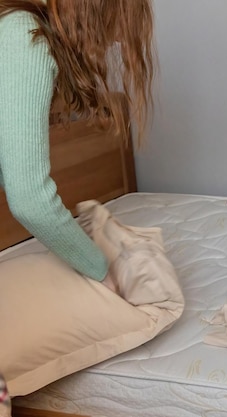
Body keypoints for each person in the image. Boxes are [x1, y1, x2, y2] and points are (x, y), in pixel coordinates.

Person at [0, 0, 155, 291]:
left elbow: (8, 168)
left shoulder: (17, 29)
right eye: (121, 19)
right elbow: (29, 200)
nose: (120, 38)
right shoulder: (25, 36)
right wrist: (101, 272)